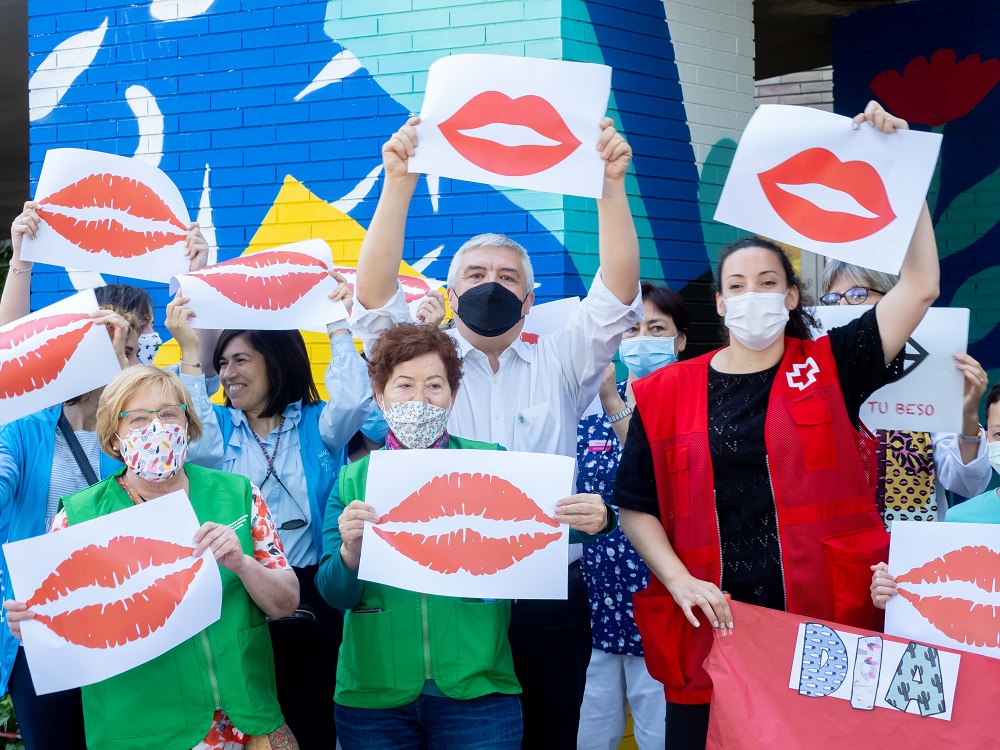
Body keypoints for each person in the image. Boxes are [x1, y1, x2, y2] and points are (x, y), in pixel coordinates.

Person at [614, 101, 941, 750]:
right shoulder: (668, 391)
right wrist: (677, 578)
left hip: (822, 625)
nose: (753, 294)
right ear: (720, 301)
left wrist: (902, 172)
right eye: (738, 284)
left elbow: (921, 285)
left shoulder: (832, 366)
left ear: (791, 297)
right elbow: (635, 505)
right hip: (714, 627)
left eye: (769, 281)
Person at [350, 113, 640, 749]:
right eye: (476, 275)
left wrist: (611, 186)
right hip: (443, 590)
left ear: (532, 297)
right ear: (450, 294)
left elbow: (616, 294)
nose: (492, 285)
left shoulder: (564, 360)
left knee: (549, 735)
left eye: (508, 277)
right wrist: (397, 182)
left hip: (545, 594)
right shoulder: (421, 364)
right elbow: (373, 303)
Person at [316, 323, 613, 749]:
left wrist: (600, 519)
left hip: (478, 692)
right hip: (374, 699)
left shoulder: (491, 464)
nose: (419, 400)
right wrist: (350, 552)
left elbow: (543, 529)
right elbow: (334, 594)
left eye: (435, 386)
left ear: (452, 397)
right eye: (403, 386)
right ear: (379, 397)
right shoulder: (353, 480)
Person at [3, 366, 300, 749]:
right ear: (114, 436)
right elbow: (55, 627)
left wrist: (243, 564)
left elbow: (286, 601)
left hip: (245, 721)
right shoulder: (80, 517)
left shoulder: (237, 493)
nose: (157, 428)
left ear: (188, 423)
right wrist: (31, 624)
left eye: (169, 414)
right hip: (140, 731)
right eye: (139, 418)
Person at [169, 280, 375, 750]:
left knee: (314, 722)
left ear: (277, 360)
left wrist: (338, 326)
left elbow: (355, 402)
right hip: (240, 593)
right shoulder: (218, 430)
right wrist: (189, 350)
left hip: (313, 598)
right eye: (221, 364)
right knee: (249, 726)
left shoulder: (319, 425)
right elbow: (191, 439)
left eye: (240, 360)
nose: (227, 374)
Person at [576, 282, 689, 750]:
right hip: (596, 606)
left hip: (663, 605)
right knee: (588, 735)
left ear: (680, 339)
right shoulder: (590, 406)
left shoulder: (696, 402)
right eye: (631, 328)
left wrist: (615, 406)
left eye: (656, 328)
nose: (640, 339)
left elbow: (660, 480)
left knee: (659, 736)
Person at [820, 260, 990, 525]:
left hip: (913, 555)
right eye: (833, 299)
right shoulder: (815, 381)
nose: (842, 307)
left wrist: (966, 414)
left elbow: (968, 484)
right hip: (838, 549)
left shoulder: (929, 376)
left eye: (857, 295)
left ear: (894, 302)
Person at [871, 383, 1000, 607]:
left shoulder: (930, 395)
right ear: (987, 436)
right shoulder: (961, 520)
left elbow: (966, 479)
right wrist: (894, 589)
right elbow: (949, 596)